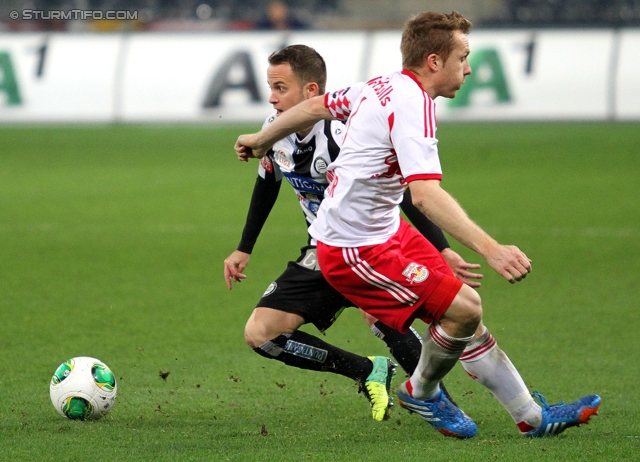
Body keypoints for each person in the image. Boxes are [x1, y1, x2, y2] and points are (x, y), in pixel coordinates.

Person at [234, 11, 601, 439]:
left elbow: (318, 105)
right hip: (354, 248)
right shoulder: (412, 106)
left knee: (466, 314)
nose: (468, 67)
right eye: (462, 56)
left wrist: (259, 140)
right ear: (433, 61)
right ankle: (422, 392)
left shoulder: (383, 84)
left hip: (388, 230)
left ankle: (533, 419)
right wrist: (492, 248)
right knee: (463, 310)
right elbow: (424, 194)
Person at [224, 44, 483, 422]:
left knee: (382, 315)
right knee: (261, 335)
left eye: (280, 88)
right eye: (270, 87)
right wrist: (243, 248)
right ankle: (367, 371)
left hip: (369, 245)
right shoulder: (273, 130)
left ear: (311, 92)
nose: (271, 97)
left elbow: (408, 193)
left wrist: (441, 247)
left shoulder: (346, 134)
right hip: (322, 248)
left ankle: (438, 402)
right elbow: (268, 183)